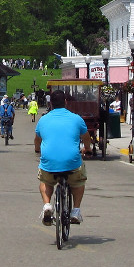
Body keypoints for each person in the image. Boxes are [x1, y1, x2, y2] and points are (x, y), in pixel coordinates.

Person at [35, 90, 93, 225]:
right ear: (66, 102)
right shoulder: (76, 118)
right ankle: (76, 211)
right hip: (72, 163)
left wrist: (37, 150)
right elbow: (86, 138)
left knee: (46, 181)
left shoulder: (43, 120)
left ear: (51, 103)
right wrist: (88, 149)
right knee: (79, 182)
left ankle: (47, 205)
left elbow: (37, 140)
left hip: (49, 162)